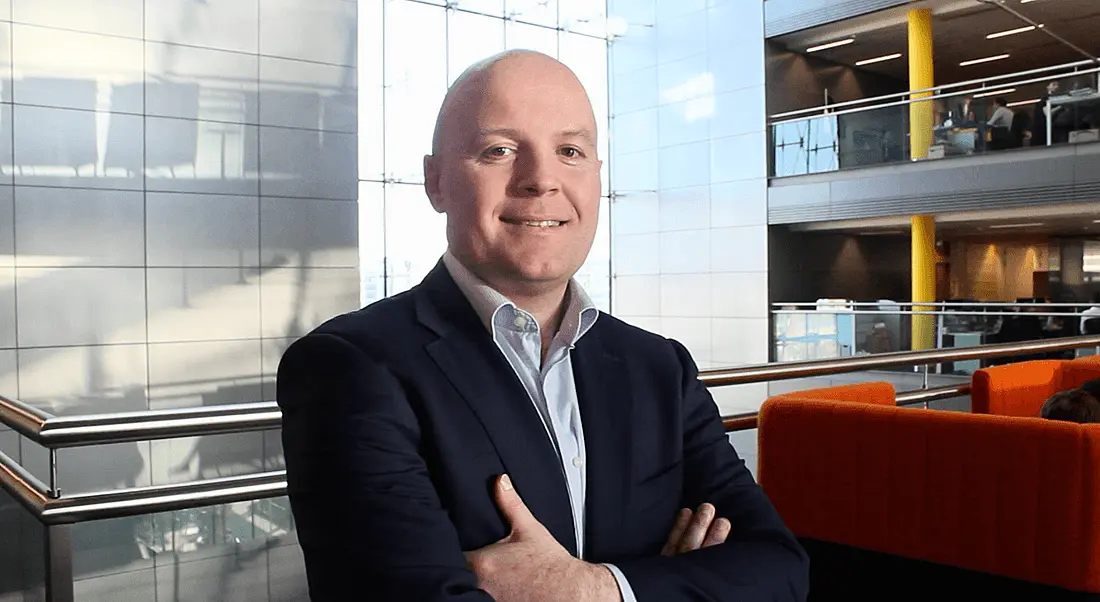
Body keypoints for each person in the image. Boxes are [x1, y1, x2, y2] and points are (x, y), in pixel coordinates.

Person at [277, 50, 808, 602]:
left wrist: (598, 590)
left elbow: (779, 570)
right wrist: (673, 583)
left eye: (570, 151)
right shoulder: (349, 366)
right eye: (500, 150)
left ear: (597, 178)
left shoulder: (659, 367)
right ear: (435, 182)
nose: (540, 180)